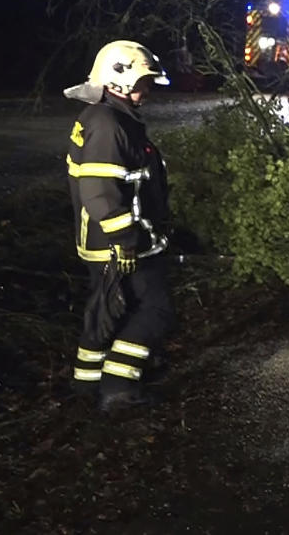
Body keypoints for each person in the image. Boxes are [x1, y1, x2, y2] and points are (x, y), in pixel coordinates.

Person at [64, 40, 175, 413]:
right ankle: (119, 387)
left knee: (108, 310)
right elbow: (98, 192)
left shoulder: (107, 118)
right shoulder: (108, 124)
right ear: (118, 80)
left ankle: (87, 384)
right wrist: (126, 240)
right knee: (155, 309)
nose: (149, 90)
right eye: (144, 81)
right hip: (119, 242)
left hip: (111, 240)